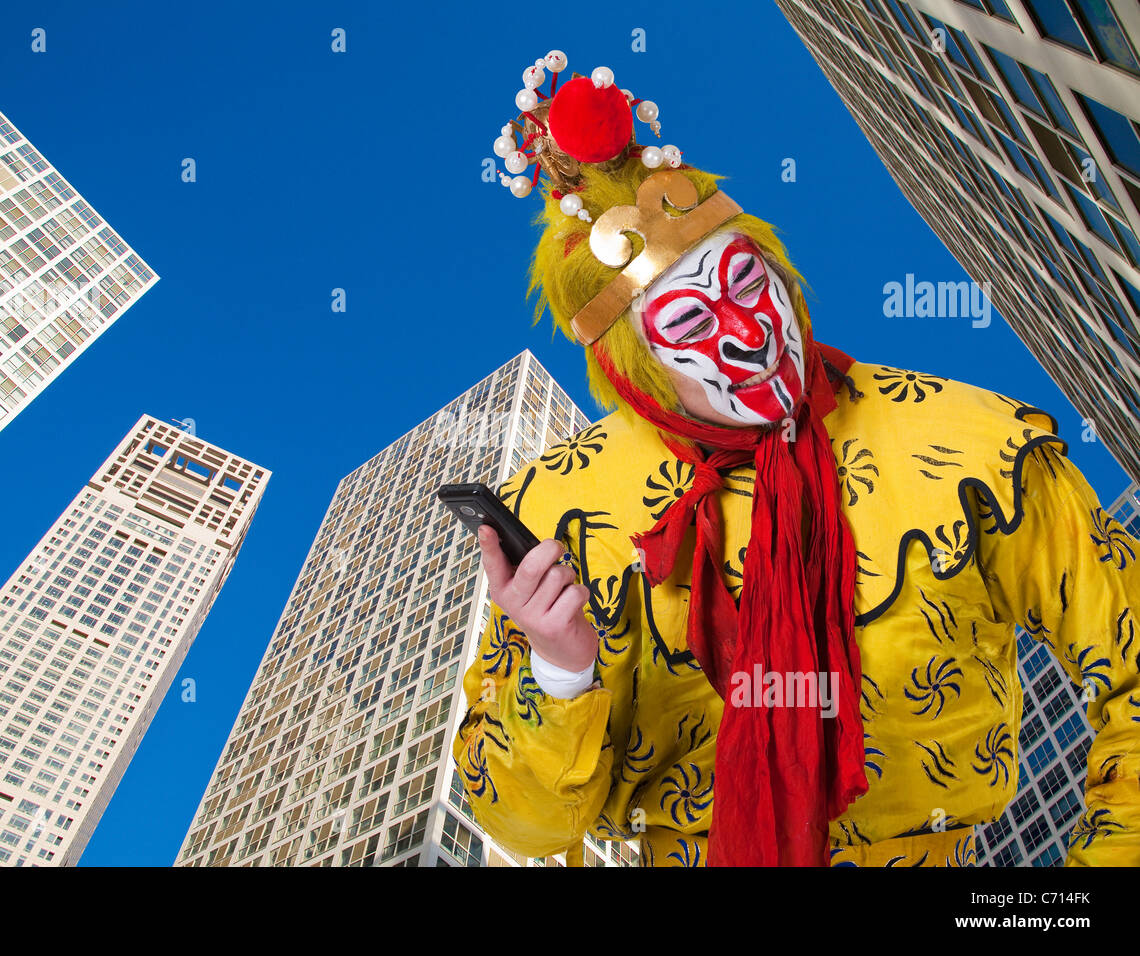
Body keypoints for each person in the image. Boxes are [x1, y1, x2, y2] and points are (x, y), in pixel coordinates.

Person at [451, 51, 1140, 867]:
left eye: (747, 283)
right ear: (638, 374)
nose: (745, 333)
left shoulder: (975, 446)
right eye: (688, 323)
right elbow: (524, 829)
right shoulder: (560, 508)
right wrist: (560, 674)